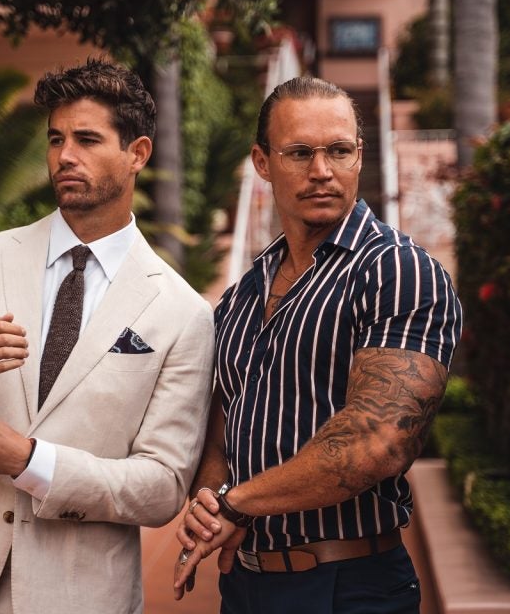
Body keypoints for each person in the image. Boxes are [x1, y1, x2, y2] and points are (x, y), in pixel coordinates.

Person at [0, 58, 215, 614]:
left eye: (87, 139)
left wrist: (31, 461)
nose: (65, 156)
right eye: (56, 139)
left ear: (137, 153)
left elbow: (162, 488)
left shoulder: (183, 313)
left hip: (79, 596)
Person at [173, 76, 462, 613]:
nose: (322, 170)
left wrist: (237, 504)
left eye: (339, 151)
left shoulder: (397, 271)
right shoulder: (243, 293)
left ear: (360, 156)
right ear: (262, 163)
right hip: (246, 586)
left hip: (348, 586)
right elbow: (224, 421)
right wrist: (210, 503)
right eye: (300, 152)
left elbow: (378, 442)